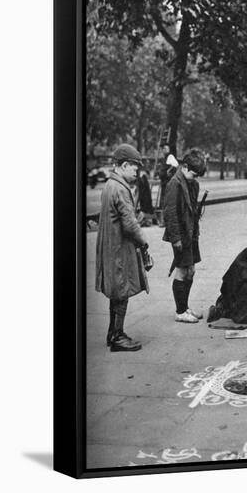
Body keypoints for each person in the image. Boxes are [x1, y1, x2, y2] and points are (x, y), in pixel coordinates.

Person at [95, 144, 151, 352]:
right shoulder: (120, 188)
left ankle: (113, 332)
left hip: (111, 247)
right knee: (122, 291)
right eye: (134, 169)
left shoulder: (110, 185)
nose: (136, 173)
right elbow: (130, 224)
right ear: (124, 165)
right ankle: (117, 336)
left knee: (117, 292)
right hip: (119, 249)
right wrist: (144, 242)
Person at [163, 148, 206, 323]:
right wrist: (176, 239)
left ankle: (185, 307)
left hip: (191, 234)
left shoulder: (191, 184)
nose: (195, 178)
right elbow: (170, 214)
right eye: (194, 174)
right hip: (181, 236)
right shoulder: (174, 184)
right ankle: (180, 312)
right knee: (182, 271)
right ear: (185, 167)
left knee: (191, 270)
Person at [157, 142, 179, 225]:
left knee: (166, 201)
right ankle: (164, 220)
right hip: (164, 182)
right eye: (163, 149)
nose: (164, 150)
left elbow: (176, 164)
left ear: (168, 149)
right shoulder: (165, 158)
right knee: (164, 200)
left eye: (166, 148)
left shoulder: (170, 156)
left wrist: (168, 171)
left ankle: (165, 221)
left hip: (167, 182)